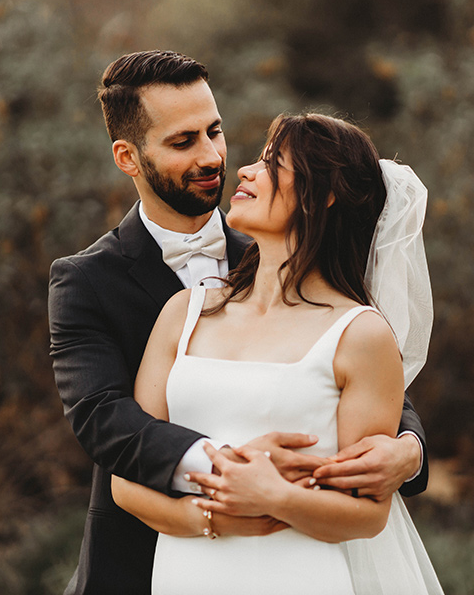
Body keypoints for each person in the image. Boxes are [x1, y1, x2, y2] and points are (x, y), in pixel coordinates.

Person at [48, 50, 429, 594]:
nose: (213, 157)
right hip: (140, 567)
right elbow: (104, 420)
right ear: (128, 158)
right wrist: (229, 478)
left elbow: (367, 369)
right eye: (183, 142)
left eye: (215, 131)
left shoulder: (277, 248)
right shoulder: (88, 281)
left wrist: (407, 447)